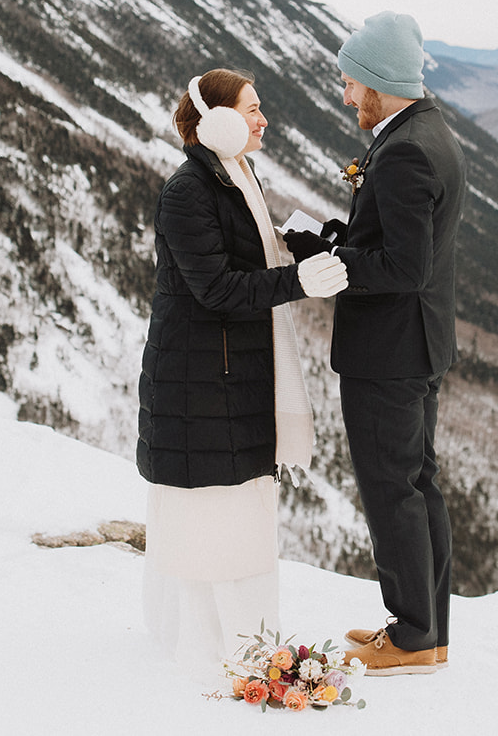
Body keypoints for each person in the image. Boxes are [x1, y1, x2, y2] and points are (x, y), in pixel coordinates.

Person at [136, 67, 349, 670]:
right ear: (218, 119)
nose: (263, 121)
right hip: (204, 383)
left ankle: (242, 646)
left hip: (224, 378)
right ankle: (221, 651)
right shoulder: (188, 191)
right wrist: (296, 281)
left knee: (235, 520)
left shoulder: (231, 177)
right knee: (220, 523)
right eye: (252, 109)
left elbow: (241, 252)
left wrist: (300, 244)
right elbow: (216, 288)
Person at [285, 11, 464, 676]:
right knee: (419, 483)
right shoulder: (428, 130)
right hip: (419, 344)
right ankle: (428, 626)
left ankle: (412, 635)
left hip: (388, 352)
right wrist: (336, 236)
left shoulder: (405, 149)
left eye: (351, 82)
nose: (346, 95)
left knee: (393, 489)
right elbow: (396, 237)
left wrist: (327, 266)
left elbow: (403, 266)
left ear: (380, 82)